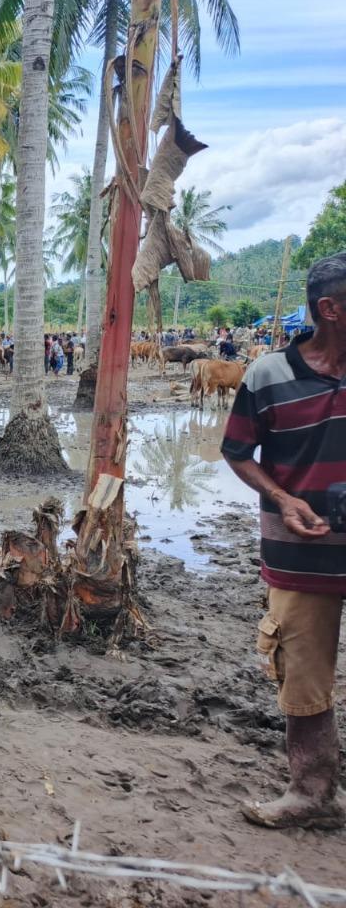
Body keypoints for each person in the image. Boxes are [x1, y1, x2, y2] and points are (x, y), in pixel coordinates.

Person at [222, 252, 346, 832]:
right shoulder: (267, 374)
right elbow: (237, 453)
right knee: (302, 673)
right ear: (330, 310)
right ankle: (312, 790)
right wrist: (284, 498)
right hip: (299, 556)